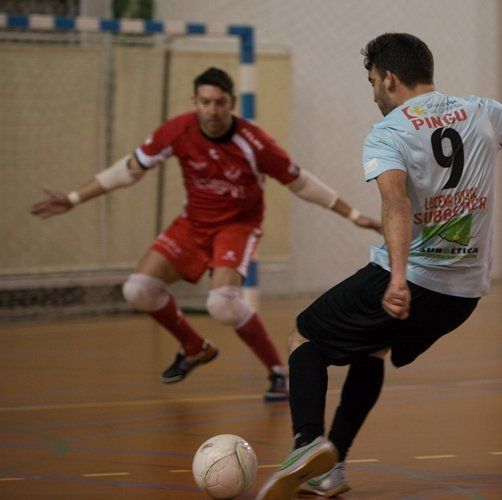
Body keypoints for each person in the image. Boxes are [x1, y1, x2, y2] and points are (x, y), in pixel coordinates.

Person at [257, 33, 502, 499]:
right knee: (370, 349)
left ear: (389, 79)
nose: (372, 93)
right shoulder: (483, 110)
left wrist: (395, 278)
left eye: (372, 82)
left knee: (304, 337)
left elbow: (395, 203)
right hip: (463, 296)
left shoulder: (389, 132)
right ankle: (331, 470)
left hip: (413, 279)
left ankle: (306, 443)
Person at [30, 67, 380, 401]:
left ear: (231, 103)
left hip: (237, 226)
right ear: (194, 102)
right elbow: (129, 170)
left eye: (219, 102)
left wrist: (352, 214)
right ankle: (195, 348)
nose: (212, 110)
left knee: (221, 304)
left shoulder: (253, 142)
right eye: (205, 102)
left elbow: (300, 183)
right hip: (192, 225)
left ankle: (277, 370)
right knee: (138, 290)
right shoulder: (179, 130)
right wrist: (74, 198)